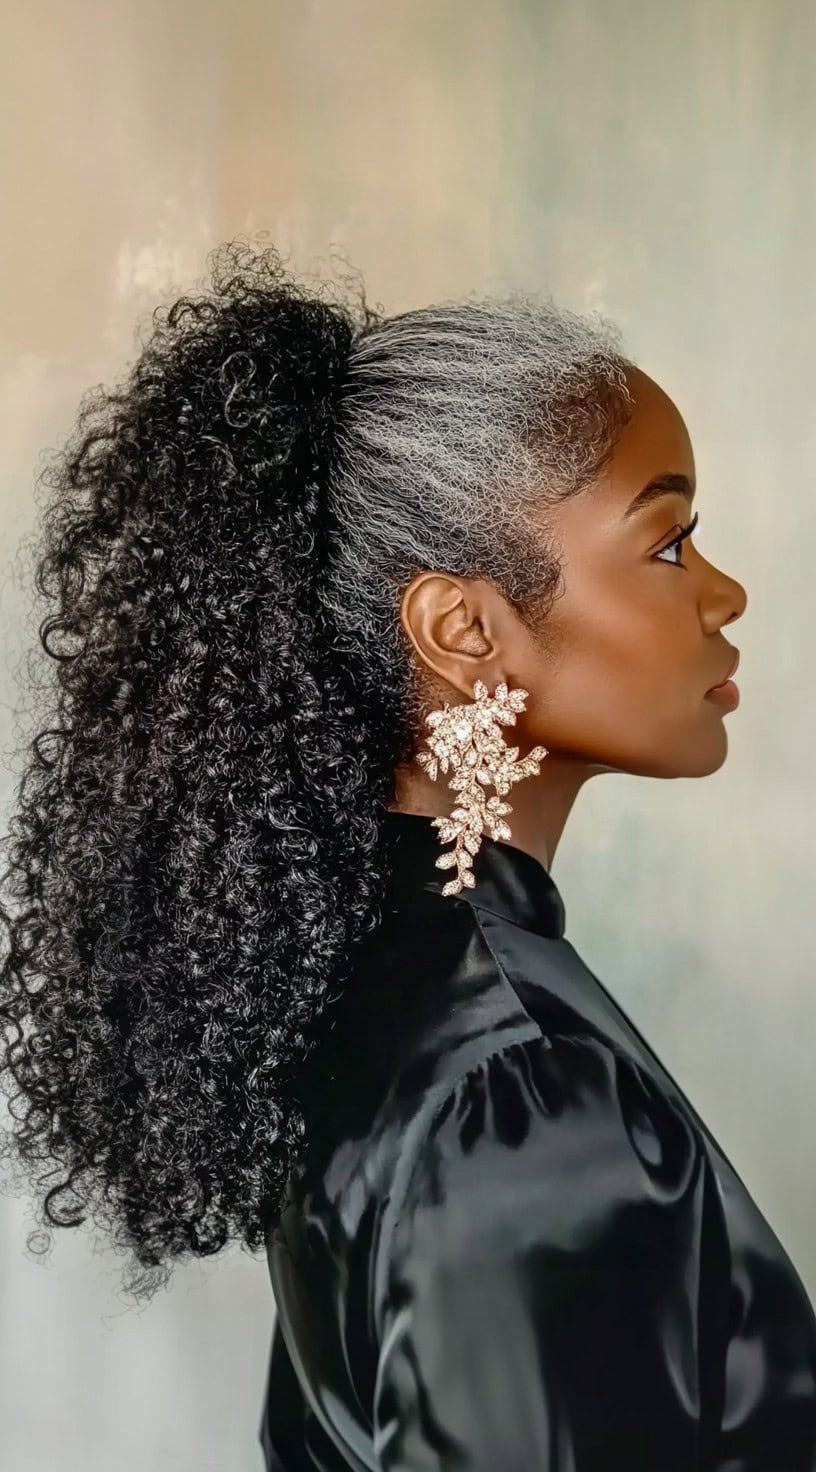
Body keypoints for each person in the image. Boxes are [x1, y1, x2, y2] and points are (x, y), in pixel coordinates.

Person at [0, 237, 812, 1470]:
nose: (724, 593)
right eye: (667, 543)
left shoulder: (361, 974)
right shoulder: (518, 1091)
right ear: (465, 629)